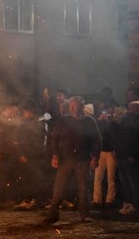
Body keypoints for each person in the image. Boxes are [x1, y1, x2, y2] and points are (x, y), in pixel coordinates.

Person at [43, 96, 101, 224]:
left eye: (75, 106)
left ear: (81, 107)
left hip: (82, 159)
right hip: (65, 159)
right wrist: (55, 155)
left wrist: (95, 157)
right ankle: (53, 214)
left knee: (83, 188)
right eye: (71, 106)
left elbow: (97, 140)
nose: (73, 108)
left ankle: (85, 214)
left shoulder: (89, 121)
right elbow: (55, 138)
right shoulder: (64, 120)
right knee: (59, 187)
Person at [91, 106, 118, 208]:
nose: (105, 114)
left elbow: (115, 136)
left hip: (111, 152)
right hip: (101, 152)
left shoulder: (113, 124)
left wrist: (115, 149)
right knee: (97, 176)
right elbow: (97, 135)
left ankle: (110, 199)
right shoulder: (98, 123)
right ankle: (96, 200)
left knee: (111, 177)